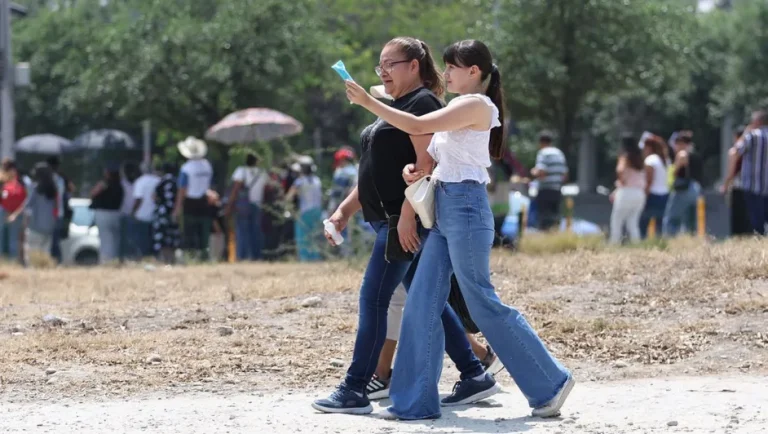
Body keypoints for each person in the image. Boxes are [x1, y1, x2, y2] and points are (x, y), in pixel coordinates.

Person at [345, 39, 573, 420]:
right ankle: (412, 402)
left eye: (453, 67)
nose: (446, 73)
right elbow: (429, 160)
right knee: (421, 302)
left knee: (482, 303)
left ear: (474, 73)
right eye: (446, 66)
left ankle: (550, 383)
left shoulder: (476, 105)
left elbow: (416, 125)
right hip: (445, 211)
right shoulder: (455, 108)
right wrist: (411, 173)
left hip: (466, 210)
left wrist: (369, 103)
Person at [313, 37, 496, 415]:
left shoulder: (422, 104)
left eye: (390, 64)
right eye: (380, 66)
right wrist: (344, 212)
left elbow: (426, 164)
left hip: (401, 222)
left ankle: (355, 387)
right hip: (387, 219)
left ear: (414, 65)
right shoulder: (395, 107)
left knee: (374, 300)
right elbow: (372, 171)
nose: (383, 73)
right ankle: (474, 372)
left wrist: (408, 217)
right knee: (430, 302)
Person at [724, 111, 768, 235]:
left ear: (757, 122)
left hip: (752, 185)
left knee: (756, 218)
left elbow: (735, 151)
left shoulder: (752, 136)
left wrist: (745, 133)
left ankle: (759, 241)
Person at [175, 137, 214, 261]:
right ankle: (204, 255)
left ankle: (190, 256)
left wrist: (177, 207)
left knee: (189, 232)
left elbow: (182, 189)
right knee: (204, 231)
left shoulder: (186, 168)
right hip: (205, 201)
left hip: (190, 202)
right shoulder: (207, 165)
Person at [225, 152, 268, 261]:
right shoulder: (262, 172)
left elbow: (235, 190)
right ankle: (256, 256)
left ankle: (242, 256)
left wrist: (229, 205)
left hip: (243, 205)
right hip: (258, 204)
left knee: (242, 231)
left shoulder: (241, 171)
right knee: (256, 231)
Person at [14, 163, 57, 266]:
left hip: (35, 226)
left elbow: (27, 204)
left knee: (32, 252)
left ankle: (34, 274)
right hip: (49, 226)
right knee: (45, 253)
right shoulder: (53, 189)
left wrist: (15, 214)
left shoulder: (35, 188)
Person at [609, 134, 647, 244]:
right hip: (640, 193)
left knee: (616, 221)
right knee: (633, 223)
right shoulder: (640, 158)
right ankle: (636, 244)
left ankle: (614, 245)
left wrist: (621, 181)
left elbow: (620, 170)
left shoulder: (625, 156)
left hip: (626, 192)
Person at [664, 131, 702, 236]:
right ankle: (692, 239)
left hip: (683, 188)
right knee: (690, 219)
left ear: (681, 143)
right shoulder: (695, 153)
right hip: (695, 188)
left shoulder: (682, 154)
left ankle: (669, 241)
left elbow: (675, 171)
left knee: (672, 219)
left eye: (676, 143)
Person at [286, 157, 323, 262]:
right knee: (314, 236)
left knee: (303, 237)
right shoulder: (317, 180)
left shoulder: (299, 182)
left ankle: (305, 259)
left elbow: (289, 196)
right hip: (317, 211)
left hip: (305, 212)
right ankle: (316, 258)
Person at [531, 131, 568, 231]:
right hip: (557, 190)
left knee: (544, 219)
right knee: (555, 218)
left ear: (541, 142)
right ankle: (554, 237)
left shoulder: (543, 153)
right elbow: (565, 175)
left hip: (545, 190)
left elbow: (541, 172)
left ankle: (544, 240)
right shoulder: (559, 153)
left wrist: (533, 172)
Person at [721, 126, 753, 236]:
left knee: (737, 216)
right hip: (751, 186)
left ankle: (738, 236)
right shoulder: (752, 150)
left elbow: (731, 172)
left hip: (737, 185)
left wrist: (725, 185)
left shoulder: (735, 151)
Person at [90, 165, 125, 264]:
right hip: (116, 214)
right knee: (115, 239)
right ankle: (114, 259)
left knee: (105, 239)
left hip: (103, 213)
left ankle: (106, 260)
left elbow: (93, 193)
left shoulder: (104, 184)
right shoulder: (120, 185)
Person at [639, 134, 670, 239]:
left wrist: (644, 196)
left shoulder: (650, 160)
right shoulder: (664, 160)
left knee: (643, 223)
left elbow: (649, 181)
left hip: (653, 195)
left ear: (649, 147)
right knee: (660, 225)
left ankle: (643, 245)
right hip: (665, 195)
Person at [46, 156, 74, 263]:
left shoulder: (49, 179)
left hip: (52, 214)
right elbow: (72, 189)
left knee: (52, 241)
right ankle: (57, 260)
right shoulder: (61, 178)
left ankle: (55, 261)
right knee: (55, 240)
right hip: (59, 214)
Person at [153, 163, 181, 264]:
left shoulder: (161, 181)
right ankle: (172, 260)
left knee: (162, 238)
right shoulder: (177, 181)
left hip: (162, 213)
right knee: (172, 237)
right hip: (174, 212)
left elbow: (154, 196)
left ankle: (164, 261)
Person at [131, 162, 161, 257]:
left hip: (142, 216)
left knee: (142, 241)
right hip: (156, 216)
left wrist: (133, 212)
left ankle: (143, 257)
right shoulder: (158, 180)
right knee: (154, 241)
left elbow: (138, 199)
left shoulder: (140, 181)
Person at [0, 160, 27, 262]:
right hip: (3, 211)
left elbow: (26, 200)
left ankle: (13, 261)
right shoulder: (2, 181)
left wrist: (15, 214)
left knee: (13, 239)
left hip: (17, 213)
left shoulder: (22, 182)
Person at [119, 161, 141, 261]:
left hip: (129, 214)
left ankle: (129, 258)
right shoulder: (137, 182)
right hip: (133, 215)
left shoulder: (123, 184)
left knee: (128, 240)